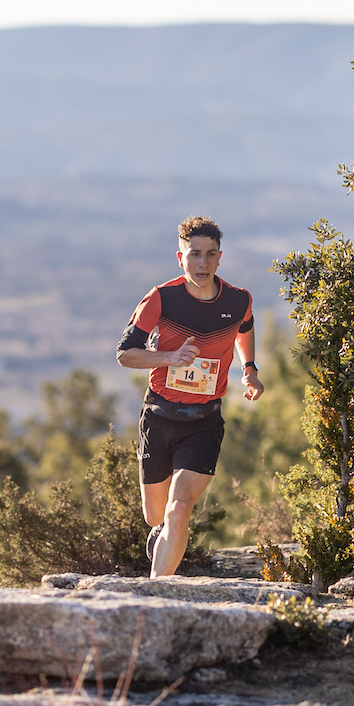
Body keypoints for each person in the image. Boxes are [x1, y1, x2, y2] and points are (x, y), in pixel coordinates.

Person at [115, 215, 261, 577]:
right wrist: (169, 357)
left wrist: (250, 369)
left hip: (204, 421)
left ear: (220, 257)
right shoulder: (162, 299)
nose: (202, 263)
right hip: (160, 417)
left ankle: (157, 593)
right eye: (194, 254)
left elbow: (245, 329)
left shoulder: (238, 299)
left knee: (179, 507)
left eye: (210, 255)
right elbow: (125, 354)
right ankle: (162, 533)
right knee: (156, 514)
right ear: (180, 259)